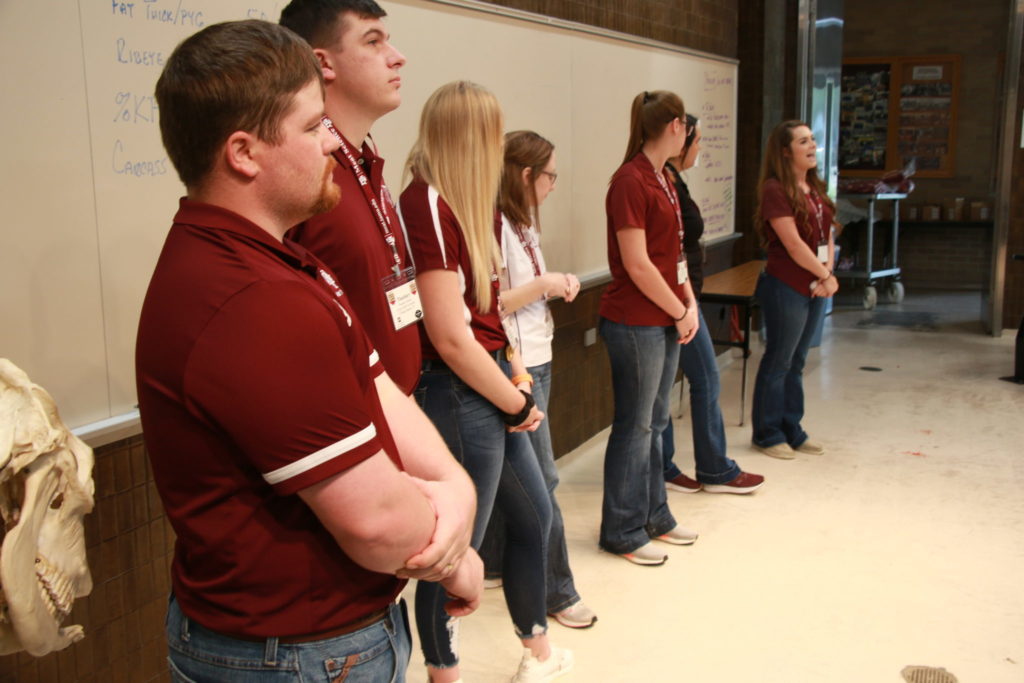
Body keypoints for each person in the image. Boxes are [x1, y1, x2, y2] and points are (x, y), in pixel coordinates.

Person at [137, 21, 480, 681]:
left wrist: (454, 487)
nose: (333, 143)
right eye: (313, 126)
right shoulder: (250, 300)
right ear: (244, 152)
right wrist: (455, 555)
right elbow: (376, 522)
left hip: (314, 640)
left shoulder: (283, 258)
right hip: (294, 654)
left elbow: (378, 384)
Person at [399, 82, 573, 683]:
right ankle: (444, 673)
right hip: (458, 390)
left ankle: (538, 653)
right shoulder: (425, 204)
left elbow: (487, 312)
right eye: (493, 134)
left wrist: (515, 376)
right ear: (468, 136)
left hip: (491, 378)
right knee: (455, 549)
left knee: (534, 518)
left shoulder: (463, 204)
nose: (499, 148)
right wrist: (515, 398)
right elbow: (449, 336)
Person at [479, 130, 596, 629]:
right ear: (525, 175)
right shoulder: (493, 222)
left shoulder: (523, 221)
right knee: (542, 479)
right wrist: (545, 285)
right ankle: (557, 590)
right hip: (515, 362)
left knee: (519, 472)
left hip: (537, 354)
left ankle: (499, 562)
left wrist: (553, 285)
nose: (553, 186)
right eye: (549, 176)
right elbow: (491, 304)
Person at [280, 0, 422, 395]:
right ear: (323, 64)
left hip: (399, 405)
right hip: (353, 418)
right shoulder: (305, 170)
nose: (398, 58)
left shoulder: (363, 157)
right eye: (373, 42)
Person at [598, 90, 702, 567]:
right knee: (636, 426)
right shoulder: (630, 181)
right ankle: (621, 528)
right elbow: (638, 265)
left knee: (658, 422)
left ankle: (654, 515)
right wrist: (678, 311)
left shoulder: (663, 178)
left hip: (665, 316)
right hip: (635, 321)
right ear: (676, 126)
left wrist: (690, 305)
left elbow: (674, 257)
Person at [660, 115, 765, 495]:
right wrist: (682, 305)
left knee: (689, 383)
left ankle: (676, 466)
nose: (701, 149)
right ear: (679, 137)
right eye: (698, 141)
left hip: (687, 299)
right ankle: (709, 468)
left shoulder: (674, 181)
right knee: (701, 380)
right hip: (674, 302)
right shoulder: (656, 179)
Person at [751, 120, 838, 459]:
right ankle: (767, 433)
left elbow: (826, 233)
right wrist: (824, 275)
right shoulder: (775, 189)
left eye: (813, 139)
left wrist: (827, 272)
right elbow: (793, 244)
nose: (813, 146)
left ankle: (792, 429)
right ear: (786, 151)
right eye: (804, 141)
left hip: (815, 284)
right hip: (786, 285)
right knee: (780, 359)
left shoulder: (814, 187)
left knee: (798, 360)